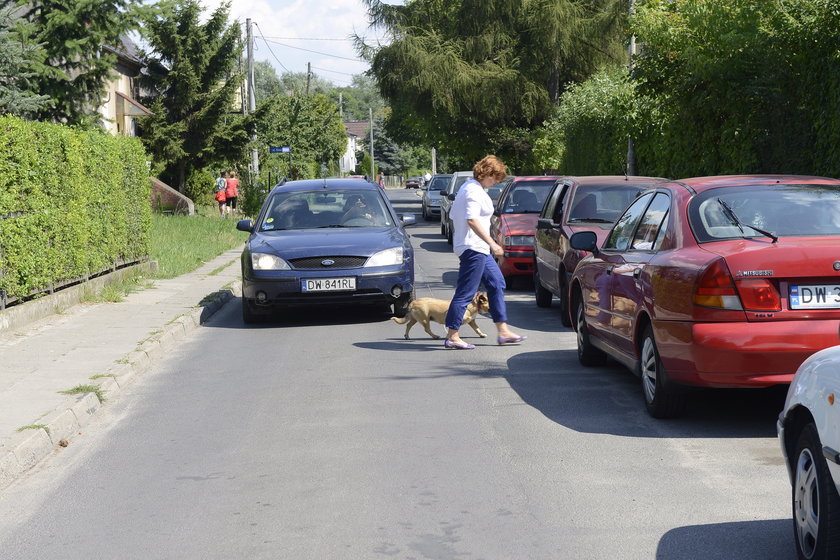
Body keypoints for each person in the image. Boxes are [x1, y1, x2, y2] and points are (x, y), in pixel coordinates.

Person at [443, 155, 526, 349]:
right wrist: (493, 243)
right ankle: (452, 336)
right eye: (495, 177)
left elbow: (457, 215)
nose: (496, 182)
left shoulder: (471, 188)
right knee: (466, 292)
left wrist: (490, 243)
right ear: (487, 173)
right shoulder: (472, 190)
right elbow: (472, 220)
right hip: (473, 248)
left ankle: (503, 331)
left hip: (478, 248)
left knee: (497, 283)